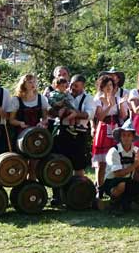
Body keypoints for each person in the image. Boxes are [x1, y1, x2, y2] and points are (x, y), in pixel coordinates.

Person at [49, 74, 96, 205]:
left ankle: (77, 195)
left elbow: (89, 114)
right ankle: (57, 195)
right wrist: (57, 110)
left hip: (79, 134)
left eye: (75, 86)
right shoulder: (63, 94)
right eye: (71, 85)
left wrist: (76, 114)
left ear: (83, 86)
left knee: (78, 164)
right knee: (58, 163)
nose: (72, 87)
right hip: (62, 132)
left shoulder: (88, 98)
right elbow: (51, 112)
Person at [101, 119, 139, 212]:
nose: (126, 138)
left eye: (129, 135)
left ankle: (129, 199)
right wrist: (135, 164)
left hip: (128, 181)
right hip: (112, 182)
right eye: (124, 135)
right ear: (120, 137)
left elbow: (138, 172)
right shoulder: (113, 151)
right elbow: (118, 174)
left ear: (133, 137)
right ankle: (114, 202)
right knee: (121, 185)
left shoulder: (136, 151)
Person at [9, 74, 50, 181]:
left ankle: (31, 188)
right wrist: (20, 123)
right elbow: (11, 120)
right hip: (21, 135)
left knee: (34, 164)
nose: (33, 84)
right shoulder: (16, 100)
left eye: (34, 82)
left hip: (36, 135)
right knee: (22, 164)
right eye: (30, 82)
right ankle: (21, 189)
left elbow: (46, 118)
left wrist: (42, 123)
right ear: (24, 84)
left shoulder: (42, 99)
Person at [92, 75, 127, 193]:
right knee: (102, 162)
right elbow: (100, 117)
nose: (109, 88)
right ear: (101, 87)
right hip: (103, 128)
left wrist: (121, 105)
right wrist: (109, 106)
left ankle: (115, 188)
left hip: (116, 128)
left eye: (111, 85)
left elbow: (123, 116)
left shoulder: (117, 98)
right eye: (106, 85)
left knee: (116, 159)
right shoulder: (98, 99)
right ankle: (99, 189)